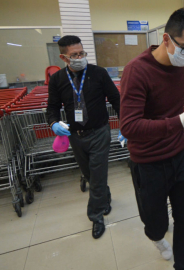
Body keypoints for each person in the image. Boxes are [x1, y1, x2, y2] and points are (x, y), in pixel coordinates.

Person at [120, 8, 184, 270]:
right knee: (156, 224)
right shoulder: (136, 71)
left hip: (179, 154)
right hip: (148, 162)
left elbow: (168, 110)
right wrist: (179, 122)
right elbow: (129, 127)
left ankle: (181, 264)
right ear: (166, 39)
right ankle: (157, 238)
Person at [47, 35, 121, 239]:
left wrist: (125, 123)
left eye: (82, 53)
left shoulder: (99, 73)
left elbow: (116, 99)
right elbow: (52, 107)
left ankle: (95, 216)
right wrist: (53, 122)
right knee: (89, 174)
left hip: (99, 132)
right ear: (63, 57)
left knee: (96, 174)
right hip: (75, 136)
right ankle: (104, 196)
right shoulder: (58, 79)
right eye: (74, 55)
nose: (80, 57)